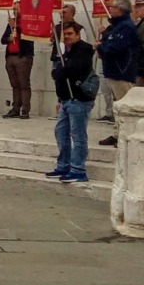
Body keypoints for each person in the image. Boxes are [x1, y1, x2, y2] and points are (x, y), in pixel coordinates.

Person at [47, 21, 96, 183]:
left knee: (78, 135)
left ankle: (78, 169)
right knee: (61, 132)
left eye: (70, 34)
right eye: (65, 34)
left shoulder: (84, 50)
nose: (67, 37)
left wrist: (60, 71)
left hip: (79, 99)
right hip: (66, 99)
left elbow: (71, 70)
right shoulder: (65, 51)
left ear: (77, 34)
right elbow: (57, 73)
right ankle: (63, 165)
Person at [96, 0, 138, 108]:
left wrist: (100, 47)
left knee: (125, 104)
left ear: (120, 9)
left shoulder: (126, 26)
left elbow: (115, 47)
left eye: (113, 7)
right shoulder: (117, 26)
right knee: (118, 104)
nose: (110, 9)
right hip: (113, 70)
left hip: (121, 71)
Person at [1, 7, 35, 119]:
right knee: (14, 84)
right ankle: (16, 107)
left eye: (17, 8)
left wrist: (16, 27)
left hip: (23, 57)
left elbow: (28, 35)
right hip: (11, 56)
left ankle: (25, 109)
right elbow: (3, 39)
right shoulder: (11, 23)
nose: (15, 11)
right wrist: (9, 37)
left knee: (24, 84)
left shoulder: (28, 21)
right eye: (13, 9)